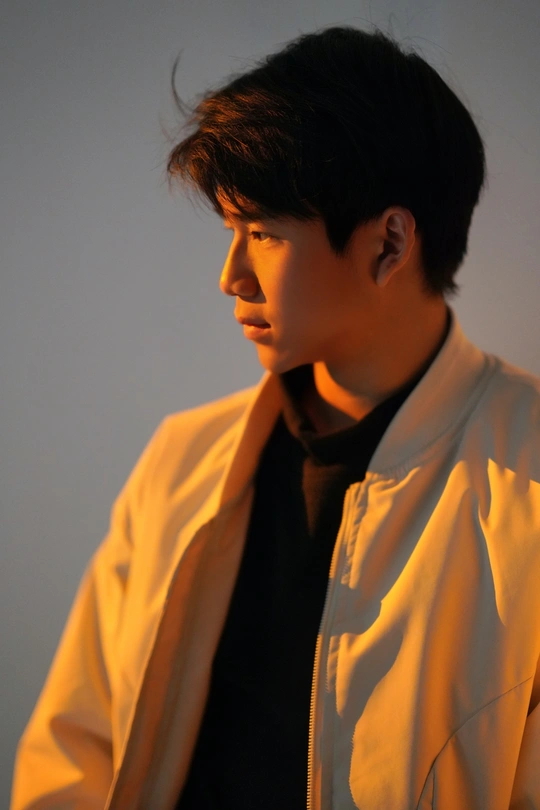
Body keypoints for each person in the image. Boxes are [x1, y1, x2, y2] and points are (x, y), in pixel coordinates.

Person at [11, 25, 540, 810]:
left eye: (262, 234)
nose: (231, 276)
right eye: (232, 232)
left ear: (390, 243)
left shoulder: (528, 481)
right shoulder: (183, 460)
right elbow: (74, 755)